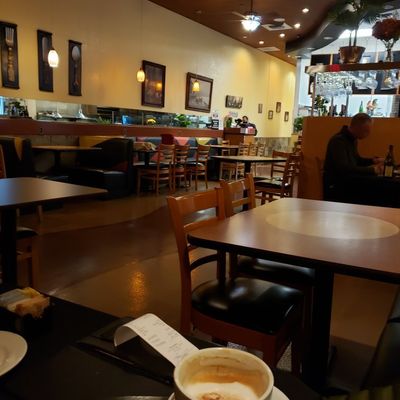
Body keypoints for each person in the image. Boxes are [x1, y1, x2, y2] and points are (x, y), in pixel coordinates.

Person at [323, 113, 384, 203]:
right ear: (356, 127)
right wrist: (373, 170)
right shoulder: (338, 141)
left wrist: (374, 160)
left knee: (377, 186)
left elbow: (357, 160)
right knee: (376, 189)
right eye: (366, 131)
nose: (368, 134)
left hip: (347, 182)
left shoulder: (352, 140)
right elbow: (344, 168)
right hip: (337, 186)